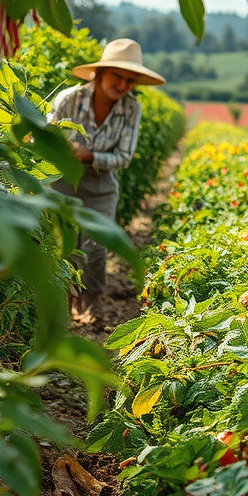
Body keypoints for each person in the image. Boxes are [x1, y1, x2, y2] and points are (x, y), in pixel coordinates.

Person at [46, 38, 165, 320]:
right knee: (64, 246)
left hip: (100, 187)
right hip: (62, 181)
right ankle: (62, 307)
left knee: (96, 249)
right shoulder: (69, 99)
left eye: (129, 80)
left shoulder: (130, 109)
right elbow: (46, 138)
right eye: (117, 76)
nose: (122, 85)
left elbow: (124, 156)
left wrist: (89, 156)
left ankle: (90, 306)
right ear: (99, 73)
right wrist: (66, 150)